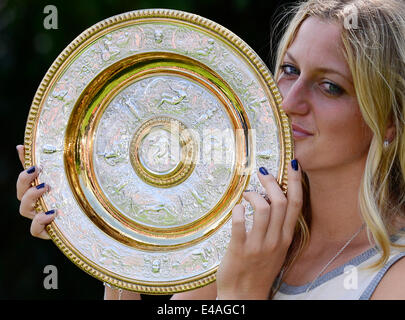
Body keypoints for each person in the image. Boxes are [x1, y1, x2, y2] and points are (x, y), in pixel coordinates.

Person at [16, 0, 405, 299]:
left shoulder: (391, 276)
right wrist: (107, 241)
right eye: (289, 70)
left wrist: (243, 293)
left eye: (329, 86)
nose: (289, 102)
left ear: (388, 122)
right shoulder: (244, 233)